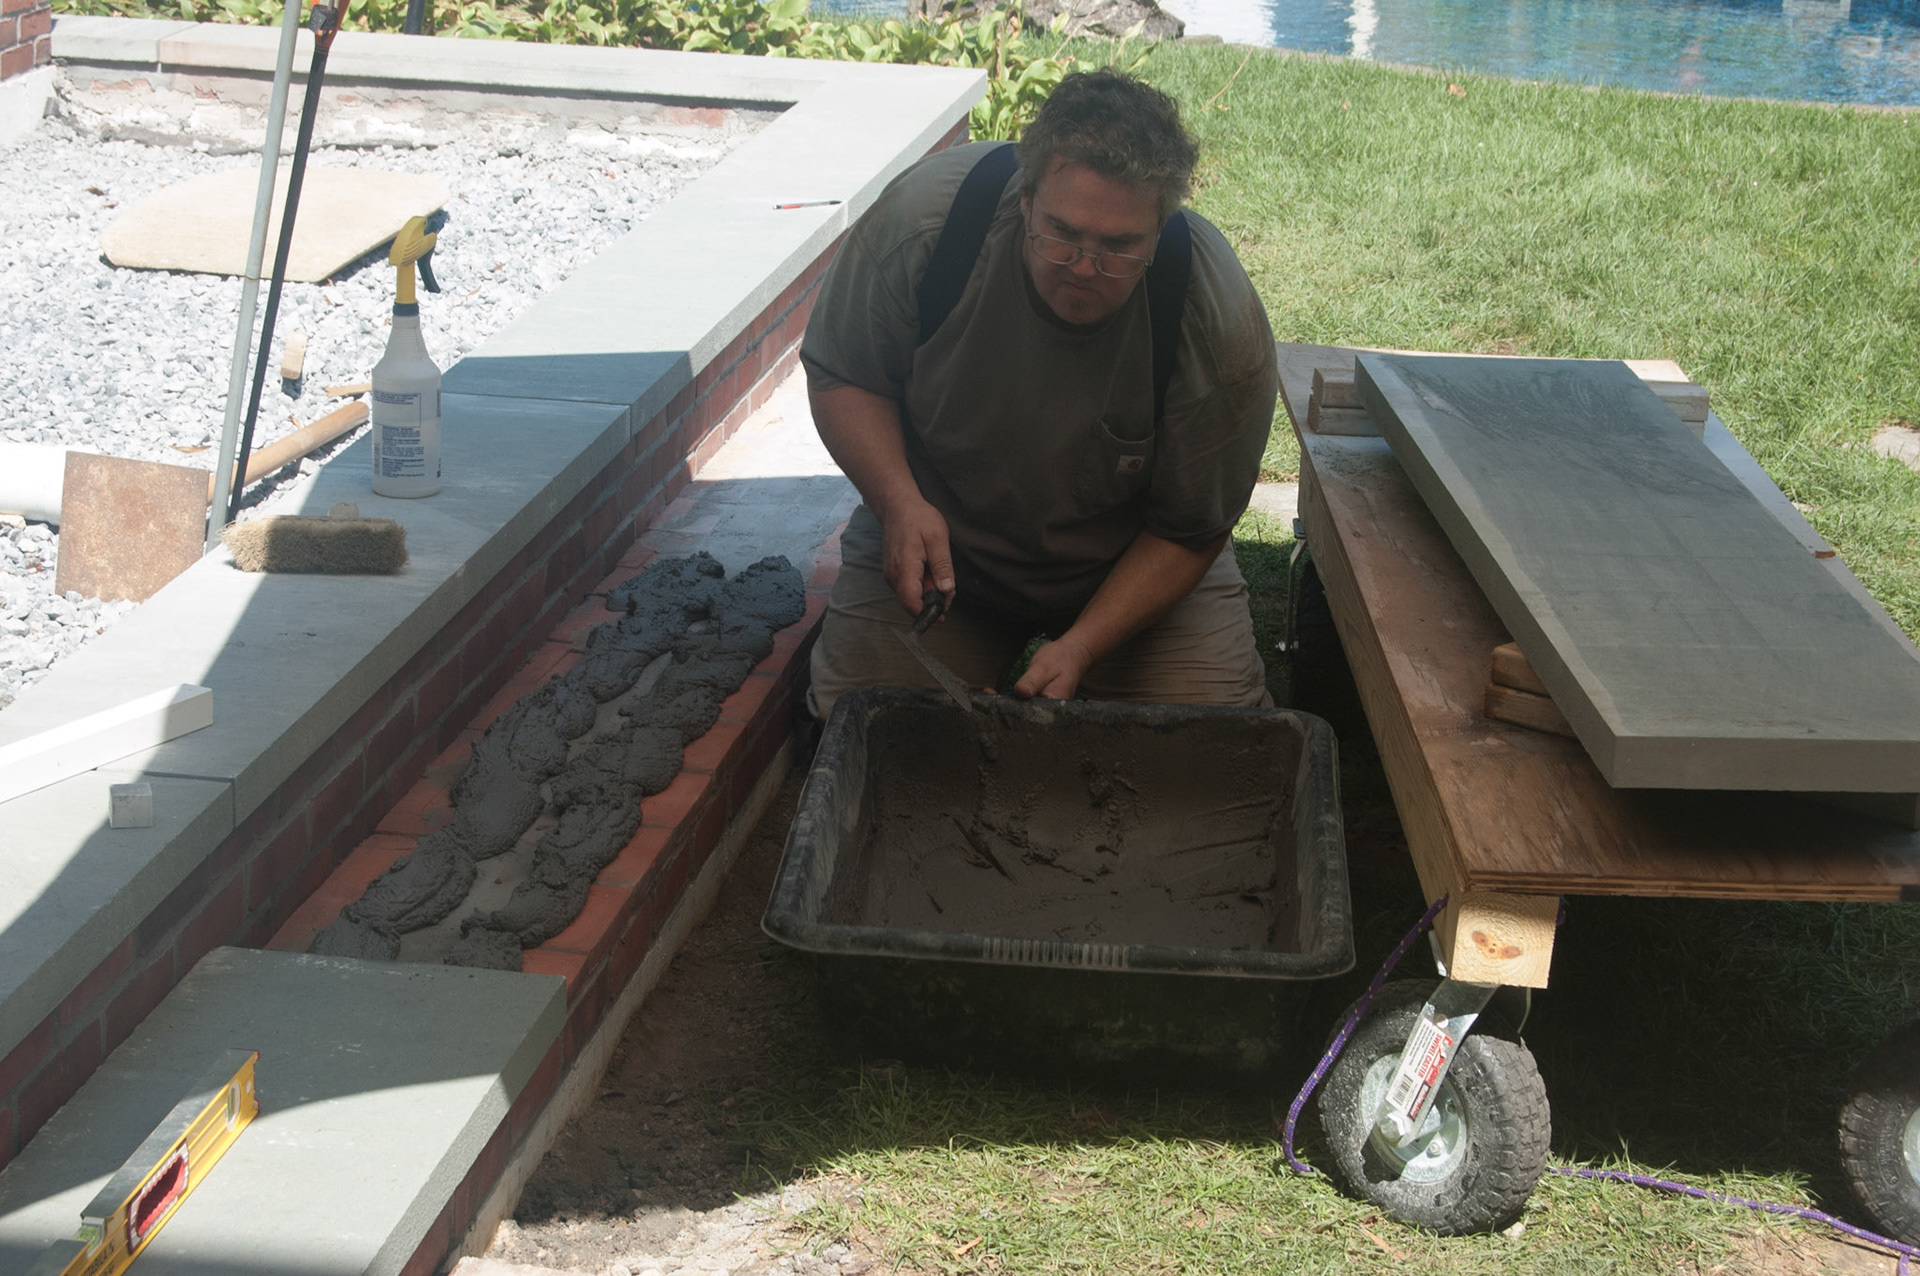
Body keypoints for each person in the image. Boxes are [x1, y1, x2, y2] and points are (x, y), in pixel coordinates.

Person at [801, 69, 1278, 719]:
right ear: (1025, 199)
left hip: (1131, 570)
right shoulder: (929, 223)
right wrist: (897, 502)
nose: (1084, 268)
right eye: (1063, 234)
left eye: (1119, 247)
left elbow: (1191, 530)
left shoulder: (1214, 317)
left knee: (1213, 739)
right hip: (945, 549)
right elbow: (843, 374)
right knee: (863, 719)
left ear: (1160, 226)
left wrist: (1083, 645)